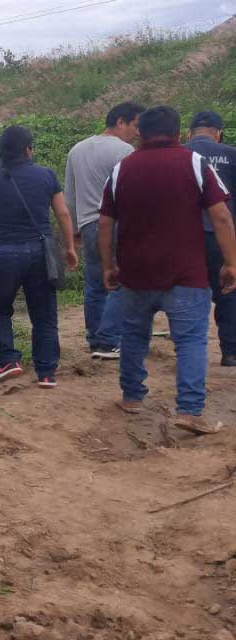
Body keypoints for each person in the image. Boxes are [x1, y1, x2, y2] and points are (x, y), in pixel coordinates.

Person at [99, 105, 236, 435]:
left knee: (133, 335)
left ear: (141, 135)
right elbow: (220, 216)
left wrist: (108, 266)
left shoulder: (122, 168)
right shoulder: (193, 163)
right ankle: (189, 410)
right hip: (185, 274)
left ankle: (132, 397)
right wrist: (231, 262)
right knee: (190, 340)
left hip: (135, 274)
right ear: (179, 135)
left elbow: (105, 223)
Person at [0, 125, 79, 387]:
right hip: (40, 252)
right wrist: (69, 248)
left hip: (4, 253)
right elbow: (63, 213)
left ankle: (9, 360)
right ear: (28, 149)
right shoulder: (45, 175)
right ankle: (46, 373)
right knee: (44, 314)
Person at [65, 102, 144, 360]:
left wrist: (75, 228)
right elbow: (131, 193)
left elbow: (70, 195)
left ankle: (95, 339)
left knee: (95, 284)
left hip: (88, 224)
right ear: (121, 122)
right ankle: (109, 340)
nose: (137, 132)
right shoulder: (125, 150)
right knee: (123, 279)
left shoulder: (77, 150)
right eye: (135, 125)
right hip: (117, 224)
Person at [184, 110, 236, 366]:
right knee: (229, 289)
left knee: (189, 291)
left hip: (186, 237)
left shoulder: (180, 154)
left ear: (189, 133)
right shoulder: (232, 155)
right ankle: (230, 352)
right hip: (223, 235)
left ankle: (189, 353)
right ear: (218, 133)